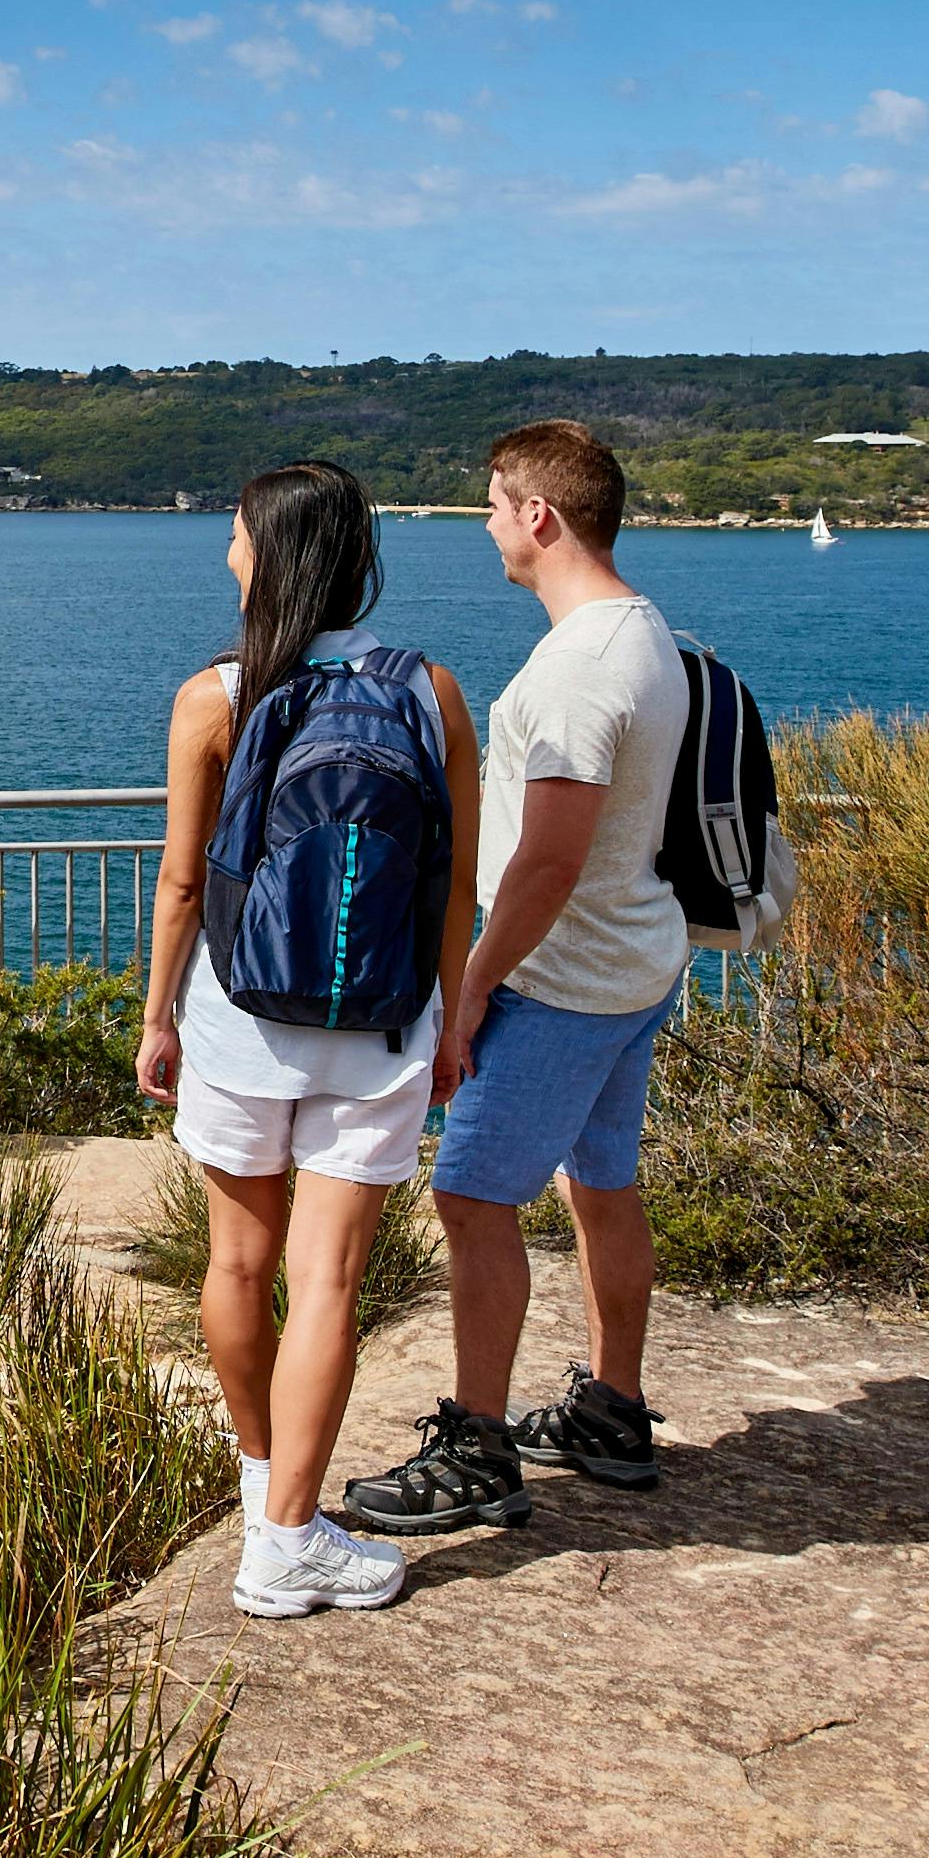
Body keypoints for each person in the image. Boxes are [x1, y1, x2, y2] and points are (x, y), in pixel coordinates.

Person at [136, 464, 482, 1618]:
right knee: (325, 1276)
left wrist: (156, 1020)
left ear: (267, 553)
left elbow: (185, 881)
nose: (226, 550)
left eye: (234, 533)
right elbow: (452, 886)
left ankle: (263, 1490)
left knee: (238, 1264)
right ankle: (287, 1530)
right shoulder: (428, 690)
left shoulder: (215, 696)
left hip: (238, 1016)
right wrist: (451, 1016)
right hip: (380, 1020)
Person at [340, 422, 681, 1537]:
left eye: (494, 503)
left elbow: (547, 856)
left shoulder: (582, 667)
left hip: (561, 980)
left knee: (473, 1198)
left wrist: (477, 979)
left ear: (540, 514)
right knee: (602, 1183)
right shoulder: (647, 633)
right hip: (633, 963)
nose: (488, 523)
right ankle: (612, 1411)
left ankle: (477, 1448)